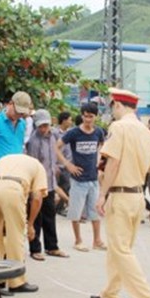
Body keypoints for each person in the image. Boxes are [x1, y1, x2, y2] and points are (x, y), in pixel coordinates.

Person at [90, 88, 150, 298]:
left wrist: (102, 194)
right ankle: (110, 295)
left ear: (119, 105)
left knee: (121, 249)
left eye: (112, 106)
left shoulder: (119, 127)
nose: (112, 111)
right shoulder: (145, 131)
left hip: (120, 195)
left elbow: (112, 163)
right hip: (137, 196)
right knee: (119, 248)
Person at [0, 154, 47, 292]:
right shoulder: (38, 166)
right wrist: (30, 225)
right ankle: (16, 282)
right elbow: (37, 198)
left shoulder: (6, 158)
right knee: (16, 235)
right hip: (12, 188)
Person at [56, 102, 108, 251]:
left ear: (95, 117)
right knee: (76, 211)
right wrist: (68, 164)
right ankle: (78, 240)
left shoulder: (98, 132)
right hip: (78, 179)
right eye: (85, 116)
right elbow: (56, 147)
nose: (88, 120)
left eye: (91, 117)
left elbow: (102, 146)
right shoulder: (73, 133)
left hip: (93, 178)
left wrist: (99, 159)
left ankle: (97, 240)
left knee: (95, 211)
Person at [26, 109, 65, 260]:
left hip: (50, 182)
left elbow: (53, 158)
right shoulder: (33, 141)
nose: (44, 129)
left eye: (46, 125)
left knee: (50, 215)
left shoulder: (54, 135)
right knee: (36, 217)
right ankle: (35, 248)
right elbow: (33, 164)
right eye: (41, 126)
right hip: (37, 185)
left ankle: (52, 247)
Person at [0, 91, 31, 166]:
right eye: (17, 111)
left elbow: (19, 145)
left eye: (21, 113)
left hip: (17, 169)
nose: (18, 115)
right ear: (10, 103)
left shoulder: (22, 124)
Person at [55, 111, 73, 216]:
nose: (71, 122)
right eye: (70, 119)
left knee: (66, 185)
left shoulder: (70, 133)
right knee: (55, 186)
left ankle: (60, 208)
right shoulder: (54, 132)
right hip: (57, 164)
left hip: (67, 164)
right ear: (65, 120)